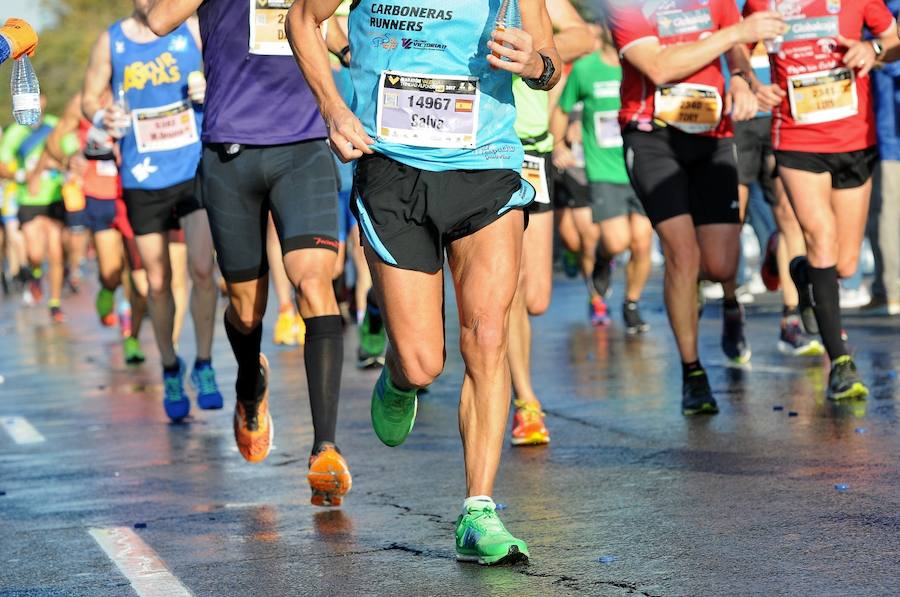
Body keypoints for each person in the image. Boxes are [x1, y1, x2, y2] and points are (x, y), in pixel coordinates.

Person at [289, 0, 560, 565]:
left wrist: (535, 63)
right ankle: (399, 377)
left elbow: (549, 63)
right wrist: (333, 109)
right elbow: (299, 18)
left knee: (487, 339)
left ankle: (479, 512)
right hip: (391, 169)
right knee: (422, 364)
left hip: (486, 164)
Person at [147, 0, 353, 507]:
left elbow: (321, 23)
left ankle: (324, 448)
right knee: (245, 307)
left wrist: (348, 48)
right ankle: (248, 387)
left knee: (314, 282)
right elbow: (158, 19)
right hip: (229, 153)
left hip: (304, 145)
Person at [602, 0, 787, 415]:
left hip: (712, 131)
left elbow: (735, 47)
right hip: (652, 137)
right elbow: (659, 67)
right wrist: (734, 35)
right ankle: (693, 372)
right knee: (682, 254)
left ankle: (729, 302)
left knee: (720, 264)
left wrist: (740, 76)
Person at [746, 0, 899, 400]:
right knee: (821, 238)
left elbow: (893, 39)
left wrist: (875, 50)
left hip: (855, 140)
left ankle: (802, 275)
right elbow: (736, 44)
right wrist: (748, 81)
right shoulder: (764, 2)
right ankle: (842, 364)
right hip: (798, 141)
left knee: (844, 263)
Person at [82, 0, 222, 421]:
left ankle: (204, 363)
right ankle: (170, 366)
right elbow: (89, 97)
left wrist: (208, 86)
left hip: (191, 164)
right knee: (157, 283)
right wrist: (103, 114)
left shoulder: (191, 28)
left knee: (201, 269)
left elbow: (227, 70)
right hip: (142, 176)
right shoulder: (112, 40)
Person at [506, 0, 591, 448]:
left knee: (537, 297)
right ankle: (525, 401)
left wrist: (537, 49)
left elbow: (585, 36)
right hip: (490, 147)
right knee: (510, 286)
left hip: (536, 152)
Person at [551, 21, 654, 334]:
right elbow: (561, 108)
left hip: (641, 166)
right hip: (603, 170)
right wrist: (557, 144)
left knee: (642, 241)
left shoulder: (642, 63)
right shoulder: (586, 69)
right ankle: (601, 260)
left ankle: (631, 304)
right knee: (618, 241)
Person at [732, 35, 823, 357]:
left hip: (782, 117)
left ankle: (790, 319)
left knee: (788, 215)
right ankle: (732, 310)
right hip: (735, 118)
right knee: (731, 221)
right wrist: (748, 83)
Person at [0, 101, 68, 322]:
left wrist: (60, 164)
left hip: (54, 196)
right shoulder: (17, 131)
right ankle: (36, 274)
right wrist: (22, 176)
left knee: (56, 252)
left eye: (37, 100)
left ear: (44, 101)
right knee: (35, 253)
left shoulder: (54, 125)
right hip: (28, 198)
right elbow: (2, 164)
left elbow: (71, 151)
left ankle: (55, 303)